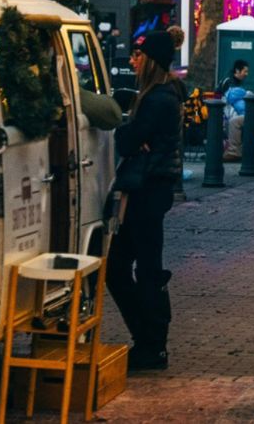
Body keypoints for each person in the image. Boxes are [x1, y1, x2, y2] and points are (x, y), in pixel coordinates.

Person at [108, 30, 183, 372]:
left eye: (139, 56)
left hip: (146, 189)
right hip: (151, 187)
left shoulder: (156, 99)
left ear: (151, 61)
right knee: (131, 265)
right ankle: (149, 340)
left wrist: (129, 134)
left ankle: (152, 343)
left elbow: (126, 141)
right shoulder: (163, 95)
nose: (133, 61)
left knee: (134, 267)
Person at [221, 60, 251, 161]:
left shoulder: (235, 81)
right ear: (237, 71)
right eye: (245, 71)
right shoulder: (229, 82)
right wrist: (246, 93)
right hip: (225, 113)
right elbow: (232, 98)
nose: (247, 74)